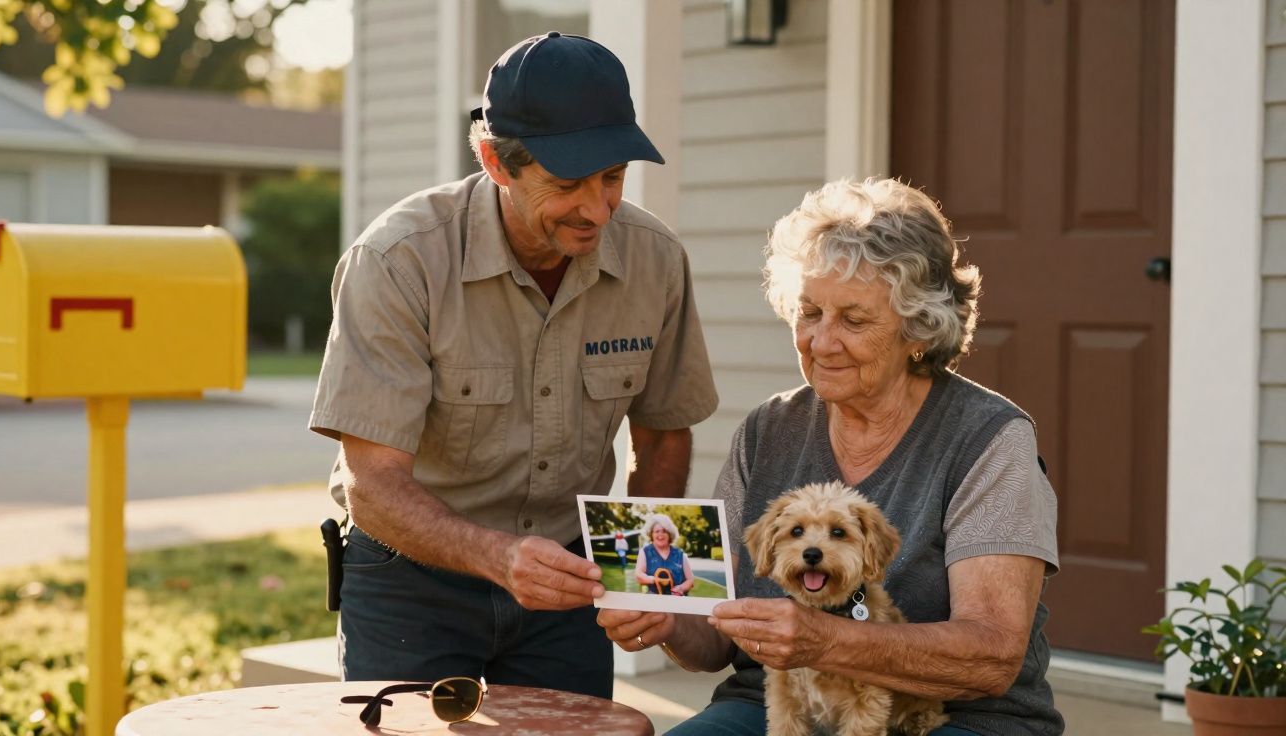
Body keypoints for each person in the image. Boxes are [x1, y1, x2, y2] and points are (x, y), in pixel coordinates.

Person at [309, 32, 718, 700]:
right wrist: (498, 558)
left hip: (569, 580)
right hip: (412, 581)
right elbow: (371, 485)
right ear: (496, 162)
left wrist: (644, 581)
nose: (597, 209)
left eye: (612, 178)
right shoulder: (398, 261)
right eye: (566, 184)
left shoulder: (657, 260)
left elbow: (665, 433)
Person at [598, 178, 1063, 735]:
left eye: (854, 319)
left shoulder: (989, 439)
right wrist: (665, 617)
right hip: (775, 708)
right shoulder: (766, 430)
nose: (820, 341)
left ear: (919, 329)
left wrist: (830, 641)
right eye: (810, 312)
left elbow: (992, 656)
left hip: (953, 718)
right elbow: (715, 639)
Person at [634, 513, 695, 596]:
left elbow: (690, 580)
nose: (660, 535)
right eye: (657, 531)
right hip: (653, 600)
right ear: (651, 534)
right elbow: (638, 575)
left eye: (664, 531)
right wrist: (654, 580)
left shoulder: (680, 554)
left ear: (670, 535)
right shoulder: (645, 552)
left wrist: (681, 588)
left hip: (677, 601)